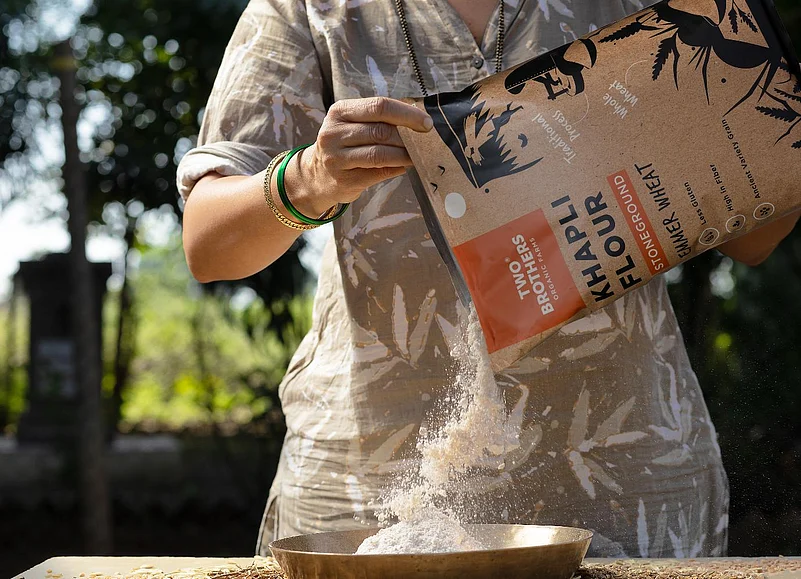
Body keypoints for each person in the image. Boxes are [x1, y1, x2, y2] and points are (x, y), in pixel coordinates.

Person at [177, 0, 800, 558]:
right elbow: (209, 244)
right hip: (368, 493)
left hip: (625, 480)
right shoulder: (313, 9)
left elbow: (753, 235)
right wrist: (307, 179)